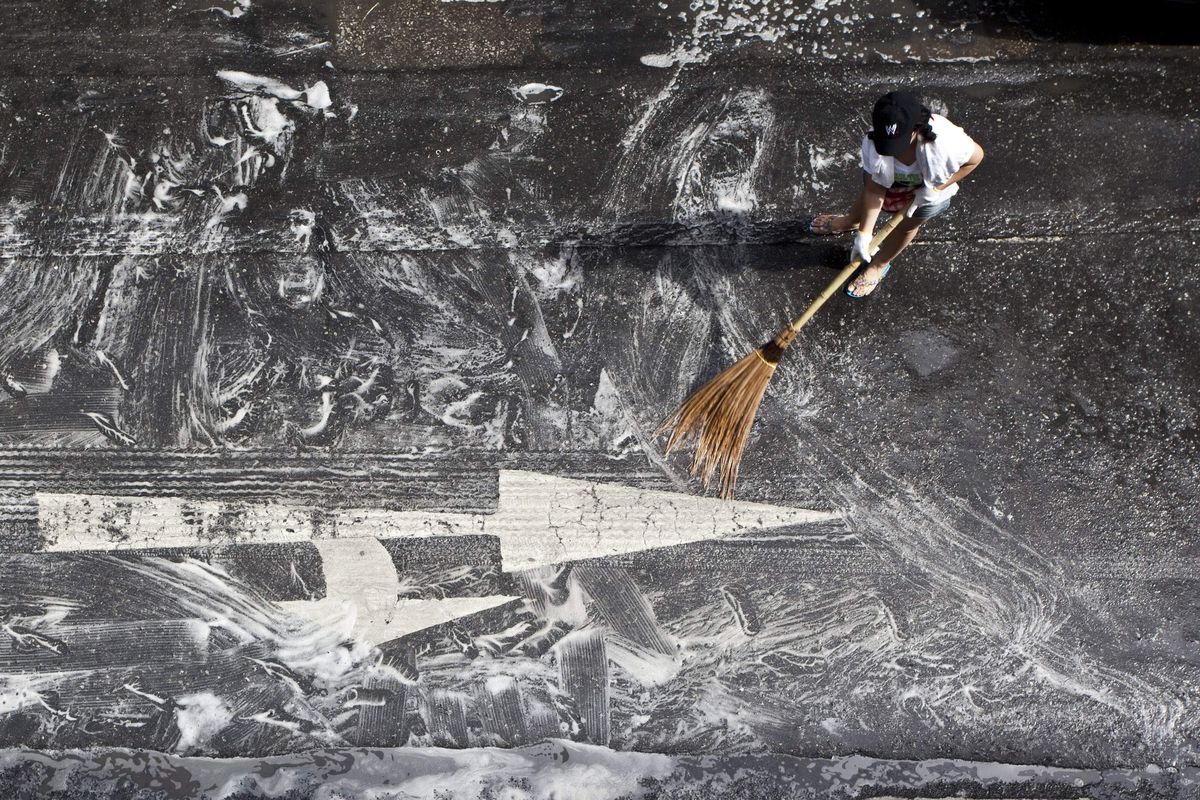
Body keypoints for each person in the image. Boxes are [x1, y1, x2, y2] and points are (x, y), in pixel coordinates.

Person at [809, 91, 984, 297]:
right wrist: (864, 235)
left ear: (916, 128)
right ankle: (851, 221)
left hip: (928, 189)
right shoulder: (873, 140)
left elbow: (976, 157)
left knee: (906, 226)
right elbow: (875, 189)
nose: (893, 151)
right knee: (867, 197)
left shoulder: (947, 142)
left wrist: (936, 188)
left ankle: (879, 265)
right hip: (890, 182)